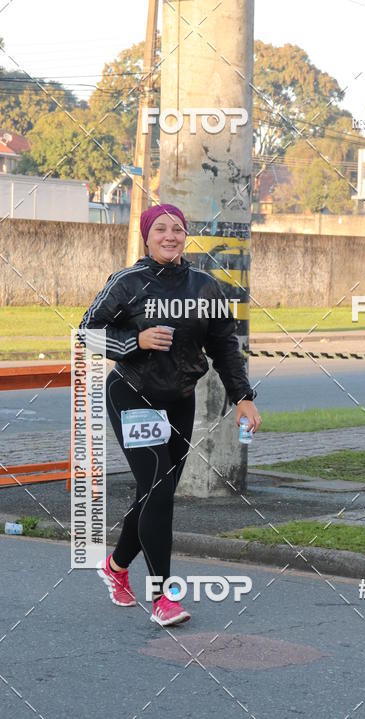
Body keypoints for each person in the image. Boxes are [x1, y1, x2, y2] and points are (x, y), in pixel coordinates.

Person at [78, 203, 261, 626]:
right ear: (147, 235)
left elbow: (224, 348)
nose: (170, 235)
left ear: (185, 236)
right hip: (132, 393)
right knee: (158, 489)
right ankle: (163, 597)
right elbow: (87, 330)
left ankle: (116, 567)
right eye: (160, 228)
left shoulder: (204, 286)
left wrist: (243, 398)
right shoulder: (128, 282)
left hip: (179, 398)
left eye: (177, 229)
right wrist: (135, 340)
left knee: (153, 492)